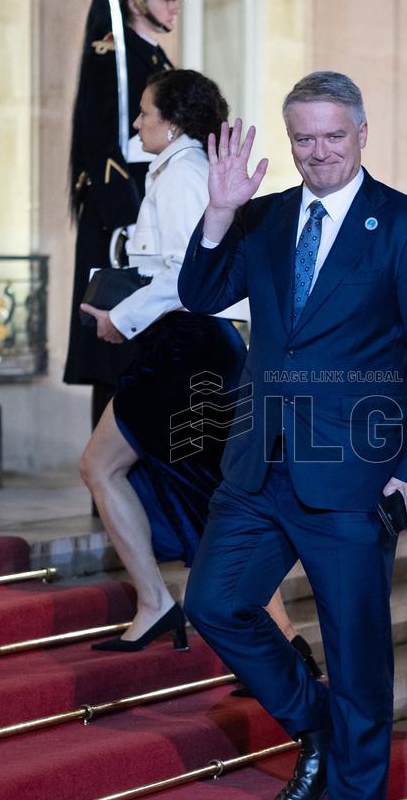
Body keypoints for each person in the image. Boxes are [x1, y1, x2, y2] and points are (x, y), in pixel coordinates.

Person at [179, 72, 407, 800]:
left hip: (354, 471)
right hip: (258, 462)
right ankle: (315, 725)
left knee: (359, 657)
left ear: (363, 132)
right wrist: (222, 208)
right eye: (304, 138)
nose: (318, 151)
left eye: (333, 135)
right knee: (214, 603)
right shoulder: (265, 220)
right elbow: (200, 293)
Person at [80, 70, 322, 677]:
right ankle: (167, 606)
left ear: (174, 120)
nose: (137, 124)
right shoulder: (175, 169)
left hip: (187, 349)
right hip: (181, 347)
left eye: (144, 113)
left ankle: (261, 638)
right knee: (206, 490)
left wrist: (121, 317)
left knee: (200, 491)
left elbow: (191, 278)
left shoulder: (184, 173)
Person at [64, 0, 185, 429]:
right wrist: (130, 216)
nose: (176, 4)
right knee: (112, 355)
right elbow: (102, 147)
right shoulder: (111, 54)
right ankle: (104, 485)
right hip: (121, 217)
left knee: (143, 351)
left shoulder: (153, 55)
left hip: (147, 209)